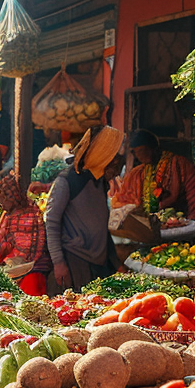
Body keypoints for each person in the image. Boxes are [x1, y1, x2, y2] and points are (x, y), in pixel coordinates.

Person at [45, 125, 124, 294]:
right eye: (111, 158)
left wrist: (116, 263)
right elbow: (51, 222)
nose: (116, 163)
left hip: (99, 263)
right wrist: (58, 263)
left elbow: (102, 226)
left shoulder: (99, 181)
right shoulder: (67, 181)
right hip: (75, 262)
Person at [112, 130, 195, 222]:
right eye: (136, 152)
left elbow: (173, 196)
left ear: (153, 149)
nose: (139, 156)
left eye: (141, 151)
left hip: (191, 211)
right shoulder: (144, 169)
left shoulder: (175, 162)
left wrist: (152, 210)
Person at [0, 172, 50, 295]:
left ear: (13, 197)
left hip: (30, 274)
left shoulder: (25, 217)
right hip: (23, 270)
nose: (0, 201)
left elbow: (8, 248)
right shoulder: (16, 212)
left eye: (4, 196)